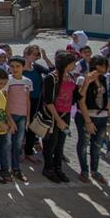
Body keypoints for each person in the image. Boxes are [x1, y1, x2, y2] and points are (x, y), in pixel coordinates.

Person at [74, 56, 110, 185]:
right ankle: (84, 170)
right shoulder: (82, 79)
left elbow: (107, 100)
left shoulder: (104, 79)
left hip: (102, 117)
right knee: (84, 143)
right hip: (86, 116)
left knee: (97, 145)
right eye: (105, 65)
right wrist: (88, 121)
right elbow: (80, 100)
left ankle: (94, 170)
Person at [41, 52, 76, 183]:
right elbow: (48, 101)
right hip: (53, 116)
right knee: (51, 143)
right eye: (72, 63)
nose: (74, 65)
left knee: (60, 143)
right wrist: (58, 120)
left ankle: (58, 168)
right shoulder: (51, 78)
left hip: (66, 114)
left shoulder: (71, 76)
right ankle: (48, 168)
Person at [5, 56, 33, 183]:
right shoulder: (7, 81)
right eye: (12, 66)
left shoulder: (27, 81)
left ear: (23, 67)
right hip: (9, 115)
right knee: (7, 143)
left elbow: (27, 100)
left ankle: (16, 168)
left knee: (17, 144)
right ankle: (6, 168)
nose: (15, 69)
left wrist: (28, 117)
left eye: (18, 66)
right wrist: (8, 118)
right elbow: (4, 100)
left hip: (22, 116)